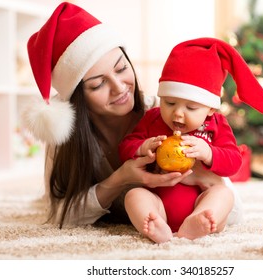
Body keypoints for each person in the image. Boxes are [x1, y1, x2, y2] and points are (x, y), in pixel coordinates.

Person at [22, 2, 198, 228]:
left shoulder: (165, 114)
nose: (119, 87)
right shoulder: (66, 134)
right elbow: (61, 215)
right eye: (98, 84)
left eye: (121, 68)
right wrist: (122, 178)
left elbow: (232, 208)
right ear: (78, 98)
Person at [119, 37, 263, 243]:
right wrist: (142, 147)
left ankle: (199, 221)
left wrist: (208, 153)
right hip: (158, 199)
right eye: (170, 102)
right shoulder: (153, 118)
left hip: (200, 199)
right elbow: (125, 147)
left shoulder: (216, 125)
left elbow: (234, 162)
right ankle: (154, 223)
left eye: (191, 108)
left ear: (211, 109)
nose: (178, 114)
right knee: (134, 195)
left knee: (223, 194)